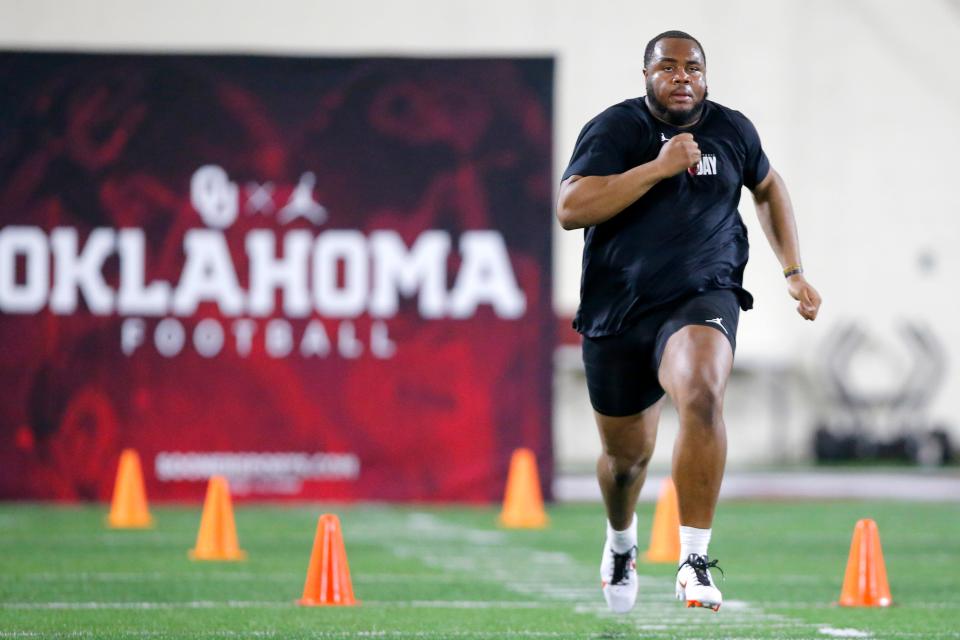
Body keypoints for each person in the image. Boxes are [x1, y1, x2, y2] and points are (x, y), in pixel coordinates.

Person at [556, 30, 821, 613]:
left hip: (703, 293)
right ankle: (621, 541)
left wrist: (793, 270)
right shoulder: (615, 130)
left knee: (702, 394)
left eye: (693, 68)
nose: (682, 77)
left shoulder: (731, 130)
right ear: (646, 76)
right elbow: (571, 210)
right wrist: (656, 168)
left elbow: (769, 187)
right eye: (668, 67)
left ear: (706, 75)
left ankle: (693, 560)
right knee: (625, 462)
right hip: (619, 309)